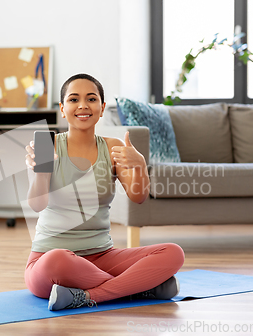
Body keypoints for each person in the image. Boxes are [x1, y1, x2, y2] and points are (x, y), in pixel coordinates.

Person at [24, 73, 185, 311]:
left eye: (91, 99)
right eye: (73, 99)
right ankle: (140, 289)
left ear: (101, 108)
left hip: (102, 258)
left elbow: (138, 197)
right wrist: (41, 171)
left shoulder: (113, 147)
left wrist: (140, 165)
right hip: (50, 260)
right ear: (62, 108)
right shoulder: (47, 146)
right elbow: (36, 205)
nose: (82, 106)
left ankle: (88, 296)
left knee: (173, 253)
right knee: (56, 260)